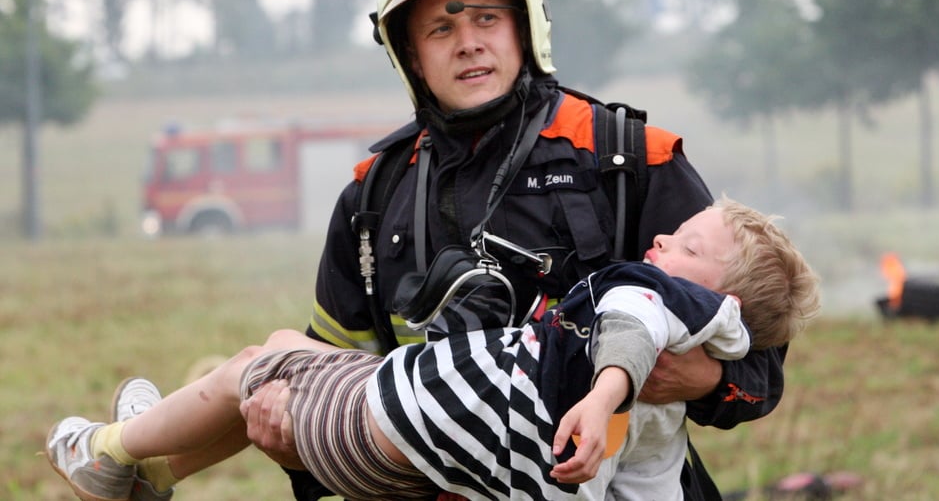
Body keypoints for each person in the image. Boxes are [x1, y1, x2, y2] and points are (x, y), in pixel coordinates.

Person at [240, 0, 789, 500]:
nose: (468, 43)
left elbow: (761, 356)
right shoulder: (371, 198)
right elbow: (335, 374)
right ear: (411, 57)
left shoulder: (627, 159)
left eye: (485, 19)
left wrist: (703, 378)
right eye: (440, 28)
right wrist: (293, 440)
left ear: (526, 29)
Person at [46, 198, 820, 501]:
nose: (659, 237)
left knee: (257, 366)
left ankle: (106, 450)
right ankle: (144, 470)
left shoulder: (625, 170)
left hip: (412, 450)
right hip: (412, 424)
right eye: (441, 25)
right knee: (277, 349)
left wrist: (657, 381)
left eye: (682, 242)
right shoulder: (380, 182)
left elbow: (666, 328)